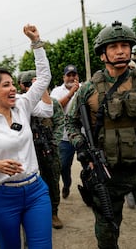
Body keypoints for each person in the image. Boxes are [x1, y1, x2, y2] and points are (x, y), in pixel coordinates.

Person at [66, 21, 136, 248]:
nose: (120, 51)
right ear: (102, 55)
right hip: (109, 173)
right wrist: (81, 146)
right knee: (107, 235)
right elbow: (69, 122)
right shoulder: (88, 89)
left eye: (124, 46)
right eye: (113, 47)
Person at [0, 24, 52, 249]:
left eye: (13, 83)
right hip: (2, 199)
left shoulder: (22, 105)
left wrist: (36, 43)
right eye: (6, 85)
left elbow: (43, 78)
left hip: (35, 192)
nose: (13, 88)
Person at [21, 70, 64, 229]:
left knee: (52, 181)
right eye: (28, 86)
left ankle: (54, 212)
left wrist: (54, 141)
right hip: (30, 151)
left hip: (49, 149)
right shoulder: (23, 104)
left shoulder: (52, 102)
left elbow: (60, 123)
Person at [50, 65, 80, 199]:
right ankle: (67, 184)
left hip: (82, 135)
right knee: (64, 166)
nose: (72, 78)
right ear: (64, 77)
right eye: (69, 75)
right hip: (64, 137)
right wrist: (71, 93)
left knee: (89, 164)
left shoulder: (84, 88)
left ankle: (90, 192)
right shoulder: (57, 91)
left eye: (74, 75)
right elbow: (54, 109)